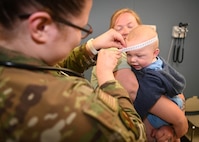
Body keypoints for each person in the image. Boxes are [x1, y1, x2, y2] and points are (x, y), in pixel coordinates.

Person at [0, 1, 147, 142]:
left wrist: (92, 47)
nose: (78, 39)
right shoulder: (75, 104)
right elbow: (136, 135)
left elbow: (57, 68)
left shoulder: (18, 65)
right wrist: (107, 78)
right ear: (41, 26)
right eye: (81, 28)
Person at [90, 8, 188, 142]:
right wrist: (180, 121)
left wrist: (172, 125)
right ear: (111, 33)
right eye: (119, 27)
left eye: (131, 26)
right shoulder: (115, 53)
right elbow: (133, 91)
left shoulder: (151, 60)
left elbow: (175, 87)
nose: (125, 31)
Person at [124, 25, 188, 141]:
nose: (132, 60)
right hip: (175, 102)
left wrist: (134, 113)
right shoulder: (157, 61)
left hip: (168, 107)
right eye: (129, 54)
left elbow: (145, 99)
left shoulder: (151, 77)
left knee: (149, 129)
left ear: (155, 53)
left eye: (139, 55)